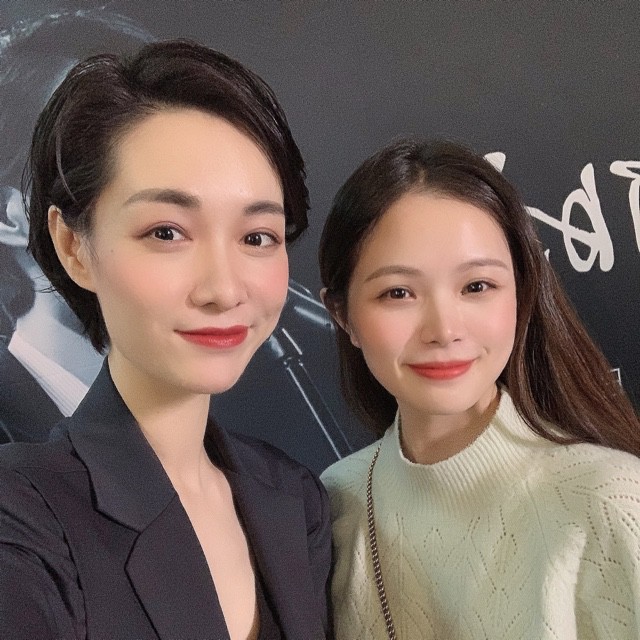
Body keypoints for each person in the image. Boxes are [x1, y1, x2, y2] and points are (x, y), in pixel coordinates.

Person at [0, 40, 331, 639]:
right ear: (74, 246)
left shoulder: (294, 499)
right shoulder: (22, 517)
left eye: (257, 237)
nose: (223, 289)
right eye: (167, 232)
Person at [319, 139, 640, 639]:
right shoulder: (332, 505)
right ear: (343, 316)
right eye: (398, 293)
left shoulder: (612, 500)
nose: (444, 330)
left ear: (522, 291)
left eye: (476, 287)